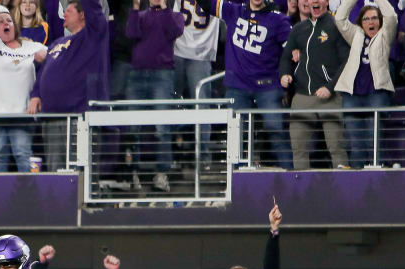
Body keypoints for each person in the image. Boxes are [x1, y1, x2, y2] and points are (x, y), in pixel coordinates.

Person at [195, 0, 293, 169]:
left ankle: (291, 177)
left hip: (268, 86)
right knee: (236, 136)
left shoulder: (278, 19)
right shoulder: (233, 10)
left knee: (275, 130)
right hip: (237, 86)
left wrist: (286, 72)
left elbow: (292, 49)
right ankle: (236, 182)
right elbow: (205, 3)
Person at [29, 0, 110, 172]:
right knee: (55, 172)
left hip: (79, 118)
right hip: (52, 117)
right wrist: (36, 94)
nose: (64, 14)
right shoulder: (57, 43)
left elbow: (93, 8)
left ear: (82, 15)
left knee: (80, 172)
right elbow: (45, 71)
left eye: (69, 11)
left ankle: (82, 200)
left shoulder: (93, 36)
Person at [0, 0, 47, 173]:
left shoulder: (31, 46)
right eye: (0, 21)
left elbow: (56, 58)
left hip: (22, 115)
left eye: (8, 20)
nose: (5, 23)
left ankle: (28, 196)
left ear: (15, 26)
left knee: (23, 155)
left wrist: (45, 59)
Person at [280, 0, 350, 170]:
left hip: (329, 96)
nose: (315, 1)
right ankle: (301, 192)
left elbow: (347, 60)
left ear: (327, 2)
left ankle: (344, 191)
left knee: (336, 146)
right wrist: (285, 74)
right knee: (298, 148)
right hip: (302, 96)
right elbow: (285, 57)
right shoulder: (299, 29)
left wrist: (330, 87)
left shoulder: (336, 26)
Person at [126, 0, 184, 192]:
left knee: (162, 128)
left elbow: (174, 31)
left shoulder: (175, 16)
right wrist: (135, 9)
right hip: (137, 74)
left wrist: (165, 8)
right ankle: (132, 173)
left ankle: (161, 174)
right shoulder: (141, 16)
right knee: (133, 126)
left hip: (162, 75)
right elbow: (131, 33)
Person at [334, 0, 397, 168]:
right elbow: (339, 18)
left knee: (373, 140)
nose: (371, 22)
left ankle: (377, 178)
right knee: (355, 142)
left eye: (375, 18)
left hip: (376, 94)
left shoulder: (385, 34)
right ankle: (357, 180)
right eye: (366, 19)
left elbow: (391, 16)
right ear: (361, 22)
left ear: (380, 21)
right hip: (352, 95)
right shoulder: (355, 34)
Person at [172, 0, 220, 163]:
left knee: (202, 106)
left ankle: (203, 156)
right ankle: (173, 153)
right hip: (176, 50)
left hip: (201, 54)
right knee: (171, 103)